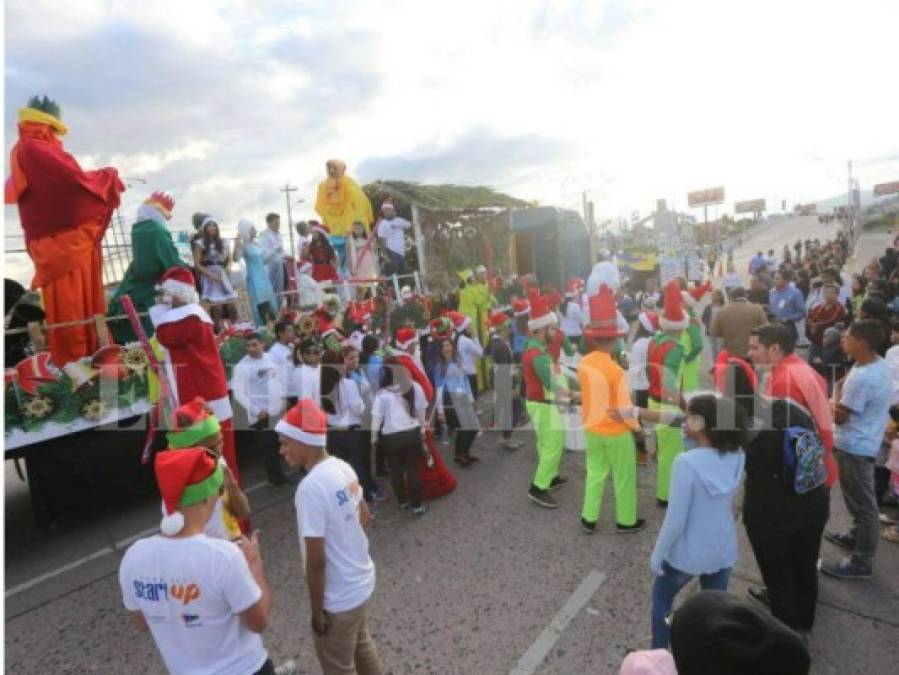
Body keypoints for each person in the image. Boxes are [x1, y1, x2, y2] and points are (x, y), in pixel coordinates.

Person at [119, 448, 280, 675]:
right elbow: (259, 621)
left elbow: (142, 623)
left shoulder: (133, 557)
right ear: (208, 496)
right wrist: (255, 567)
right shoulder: (223, 556)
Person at [6, 94, 125, 366]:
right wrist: (107, 176)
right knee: (72, 307)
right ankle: (77, 367)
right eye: (55, 130)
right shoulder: (34, 149)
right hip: (63, 241)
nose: (57, 137)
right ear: (46, 126)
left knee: (79, 305)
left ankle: (91, 359)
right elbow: (75, 182)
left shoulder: (26, 150)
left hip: (63, 241)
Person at [276, 399, 384, 675]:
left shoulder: (310, 488)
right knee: (362, 645)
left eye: (286, 442)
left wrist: (316, 611)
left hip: (338, 598)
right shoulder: (341, 466)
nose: (281, 450)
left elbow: (316, 562)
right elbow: (365, 517)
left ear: (305, 441)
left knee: (339, 666)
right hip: (360, 582)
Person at [647, 394, 746, 649]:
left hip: (688, 552)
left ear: (703, 426)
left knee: (661, 597)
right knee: (713, 613)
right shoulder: (737, 454)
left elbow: (676, 520)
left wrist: (658, 553)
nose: (684, 421)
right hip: (722, 549)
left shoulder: (685, 464)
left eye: (690, 417)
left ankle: (660, 654)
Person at [151, 267, 240, 484]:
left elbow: (165, 337)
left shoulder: (189, 317)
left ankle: (228, 509)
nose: (164, 300)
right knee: (214, 456)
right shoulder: (192, 315)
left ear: (179, 293)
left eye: (167, 294)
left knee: (216, 457)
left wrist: (158, 314)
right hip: (204, 391)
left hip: (201, 394)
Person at [822, 320, 892, 579]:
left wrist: (827, 398)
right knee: (857, 499)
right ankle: (855, 535)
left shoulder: (864, 377)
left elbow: (841, 416)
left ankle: (862, 561)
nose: (843, 339)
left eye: (848, 336)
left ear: (862, 342)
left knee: (863, 505)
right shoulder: (874, 363)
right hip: (865, 439)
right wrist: (840, 389)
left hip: (855, 445)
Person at [577, 285, 645, 534]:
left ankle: (588, 518)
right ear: (615, 339)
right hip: (615, 432)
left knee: (595, 473)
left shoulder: (584, 363)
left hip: (591, 427)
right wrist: (638, 431)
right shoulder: (616, 371)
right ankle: (626, 520)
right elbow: (625, 408)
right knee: (623, 478)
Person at [747, 323, 837, 487]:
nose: (749, 354)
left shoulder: (784, 381)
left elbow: (780, 441)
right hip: (817, 465)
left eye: (754, 348)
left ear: (774, 349)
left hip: (802, 474)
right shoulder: (799, 368)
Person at [166, 398, 251, 541]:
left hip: (231, 545)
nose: (218, 450)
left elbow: (243, 512)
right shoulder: (178, 483)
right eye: (211, 447)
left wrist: (231, 485)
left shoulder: (217, 459)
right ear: (188, 450)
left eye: (220, 441)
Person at [108, 192, 186, 343]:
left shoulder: (138, 229)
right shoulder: (156, 231)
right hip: (151, 285)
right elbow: (170, 260)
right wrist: (187, 270)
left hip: (136, 280)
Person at [522, 288, 576, 508]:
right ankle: (538, 487)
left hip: (539, 404)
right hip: (544, 405)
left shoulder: (535, 348)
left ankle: (551, 476)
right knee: (553, 444)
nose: (556, 331)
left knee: (546, 444)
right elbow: (552, 384)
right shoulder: (539, 354)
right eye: (552, 327)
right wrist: (574, 395)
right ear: (542, 329)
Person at [646, 281, 689, 506]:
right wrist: (685, 406)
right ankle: (666, 496)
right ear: (680, 325)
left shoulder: (655, 341)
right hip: (667, 405)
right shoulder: (676, 348)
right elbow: (671, 388)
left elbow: (647, 371)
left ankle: (666, 491)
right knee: (671, 454)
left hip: (654, 402)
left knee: (665, 450)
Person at [370, 358, 428, 515]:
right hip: (412, 433)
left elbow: (376, 418)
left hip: (391, 437)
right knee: (413, 470)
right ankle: (417, 506)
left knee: (395, 471)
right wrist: (422, 430)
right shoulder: (415, 387)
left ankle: (403, 502)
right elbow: (422, 412)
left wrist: (374, 438)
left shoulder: (381, 394)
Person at [231, 332, 288, 487]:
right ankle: (277, 482)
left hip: (278, 410)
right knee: (269, 451)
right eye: (248, 346)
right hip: (261, 417)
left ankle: (288, 474)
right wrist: (257, 411)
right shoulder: (242, 367)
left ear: (262, 344)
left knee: (284, 444)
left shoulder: (271, 358)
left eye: (254, 345)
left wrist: (283, 399)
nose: (251, 348)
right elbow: (238, 393)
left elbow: (280, 379)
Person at [320, 349, 374, 503]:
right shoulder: (348, 384)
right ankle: (364, 501)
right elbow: (359, 408)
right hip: (351, 434)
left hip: (332, 434)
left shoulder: (320, 387)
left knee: (341, 473)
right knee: (358, 469)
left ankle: (347, 502)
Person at [314, 159, 374, 270]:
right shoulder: (323, 185)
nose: (331, 171)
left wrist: (353, 222)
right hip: (333, 229)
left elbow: (360, 202)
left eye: (334, 168)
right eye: (329, 168)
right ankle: (343, 276)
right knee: (340, 259)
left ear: (341, 169)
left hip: (348, 227)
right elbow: (319, 206)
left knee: (352, 258)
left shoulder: (349, 183)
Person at [434, 338, 480, 467]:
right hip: (451, 400)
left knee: (474, 427)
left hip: (464, 398)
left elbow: (466, 382)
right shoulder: (440, 367)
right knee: (465, 428)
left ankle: (464, 453)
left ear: (452, 347)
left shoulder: (458, 362)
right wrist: (440, 410)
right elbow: (438, 390)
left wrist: (471, 399)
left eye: (448, 345)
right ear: (440, 351)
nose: (446, 348)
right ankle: (460, 455)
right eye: (443, 346)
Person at [193, 216, 238, 329]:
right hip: (208, 276)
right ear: (205, 228)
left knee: (232, 306)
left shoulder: (224, 242)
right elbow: (197, 264)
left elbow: (230, 259)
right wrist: (210, 275)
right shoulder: (200, 243)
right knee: (217, 308)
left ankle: (233, 331)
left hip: (222, 275)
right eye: (209, 226)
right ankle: (218, 334)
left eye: (214, 225)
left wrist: (228, 266)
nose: (212, 228)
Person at [486, 311, 522, 450]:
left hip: (499, 378)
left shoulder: (496, 341)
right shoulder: (500, 345)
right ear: (503, 328)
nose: (510, 330)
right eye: (508, 327)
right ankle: (506, 438)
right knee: (516, 409)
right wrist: (513, 386)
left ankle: (506, 435)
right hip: (503, 380)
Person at [234, 220, 279, 326]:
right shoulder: (243, 245)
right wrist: (237, 246)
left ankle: (273, 326)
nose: (255, 231)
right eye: (252, 229)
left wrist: (274, 251)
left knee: (269, 302)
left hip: (263, 276)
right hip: (254, 277)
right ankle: (262, 326)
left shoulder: (257, 244)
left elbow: (264, 260)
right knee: (260, 303)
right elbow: (236, 259)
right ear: (246, 230)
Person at [629, 311, 657, 466]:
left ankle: (642, 453)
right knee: (657, 418)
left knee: (636, 420)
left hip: (640, 386)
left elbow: (635, 370)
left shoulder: (638, 345)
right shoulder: (656, 341)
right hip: (654, 386)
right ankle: (659, 451)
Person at [710, 287, 767, 359]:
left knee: (733, 370)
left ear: (731, 297)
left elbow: (714, 332)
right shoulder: (757, 309)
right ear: (746, 296)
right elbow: (766, 330)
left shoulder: (722, 311)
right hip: (752, 353)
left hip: (732, 354)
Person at [806, 282, 848, 367]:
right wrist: (811, 325)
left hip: (831, 343)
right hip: (816, 341)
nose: (828, 295)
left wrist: (815, 325)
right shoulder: (818, 307)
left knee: (825, 366)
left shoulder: (840, 308)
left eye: (832, 292)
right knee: (812, 364)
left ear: (837, 294)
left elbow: (831, 320)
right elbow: (809, 318)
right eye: (826, 292)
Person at [450, 311, 485, 399]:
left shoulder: (454, 338)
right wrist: (475, 337)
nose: (471, 327)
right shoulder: (466, 341)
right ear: (465, 327)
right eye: (469, 325)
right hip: (470, 372)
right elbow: (480, 353)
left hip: (460, 373)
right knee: (473, 397)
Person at [375, 199, 411, 276]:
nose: (387, 212)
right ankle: (391, 288)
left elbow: (410, 225)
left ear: (393, 210)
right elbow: (382, 240)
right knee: (393, 276)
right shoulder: (382, 224)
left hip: (401, 253)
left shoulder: (399, 220)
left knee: (402, 274)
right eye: (385, 211)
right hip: (391, 252)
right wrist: (385, 256)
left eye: (388, 210)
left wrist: (398, 225)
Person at [768, 269, 805, 340]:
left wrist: (788, 319)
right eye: (774, 278)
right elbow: (772, 308)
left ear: (785, 280)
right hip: (774, 326)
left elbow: (802, 312)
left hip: (788, 327)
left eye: (777, 278)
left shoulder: (795, 293)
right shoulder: (772, 292)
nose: (774, 280)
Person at [259, 212, 286, 305]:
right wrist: (275, 251)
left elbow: (282, 251)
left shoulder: (279, 235)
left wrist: (285, 256)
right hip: (270, 268)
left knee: (281, 291)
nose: (278, 225)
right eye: (275, 223)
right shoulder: (264, 235)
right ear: (269, 223)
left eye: (279, 223)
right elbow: (264, 256)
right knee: (273, 292)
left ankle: (281, 310)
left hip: (281, 266)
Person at [268, 320, 297, 404]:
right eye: (290, 331)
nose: (293, 333)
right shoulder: (273, 352)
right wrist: (282, 398)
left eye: (293, 330)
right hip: (289, 396)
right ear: (280, 333)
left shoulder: (292, 346)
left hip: (299, 391)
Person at [288, 337, 322, 405]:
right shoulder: (300, 372)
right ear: (305, 355)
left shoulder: (320, 367)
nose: (318, 355)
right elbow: (306, 402)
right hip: (313, 412)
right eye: (315, 352)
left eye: (318, 351)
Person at [346, 220, 379, 288]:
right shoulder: (351, 240)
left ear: (363, 229)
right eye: (355, 228)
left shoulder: (367, 239)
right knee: (360, 285)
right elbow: (348, 254)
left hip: (368, 260)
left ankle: (372, 296)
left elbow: (374, 249)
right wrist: (351, 268)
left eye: (359, 228)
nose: (358, 230)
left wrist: (373, 242)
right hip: (357, 262)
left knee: (370, 282)